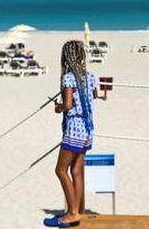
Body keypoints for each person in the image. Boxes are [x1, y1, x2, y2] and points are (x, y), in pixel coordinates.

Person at [45, 41, 98, 228]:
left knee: (60, 170)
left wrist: (58, 107)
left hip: (74, 129)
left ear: (66, 57)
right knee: (76, 170)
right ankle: (78, 210)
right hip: (88, 129)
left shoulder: (68, 78)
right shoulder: (90, 76)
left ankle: (73, 213)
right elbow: (95, 95)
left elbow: (68, 105)